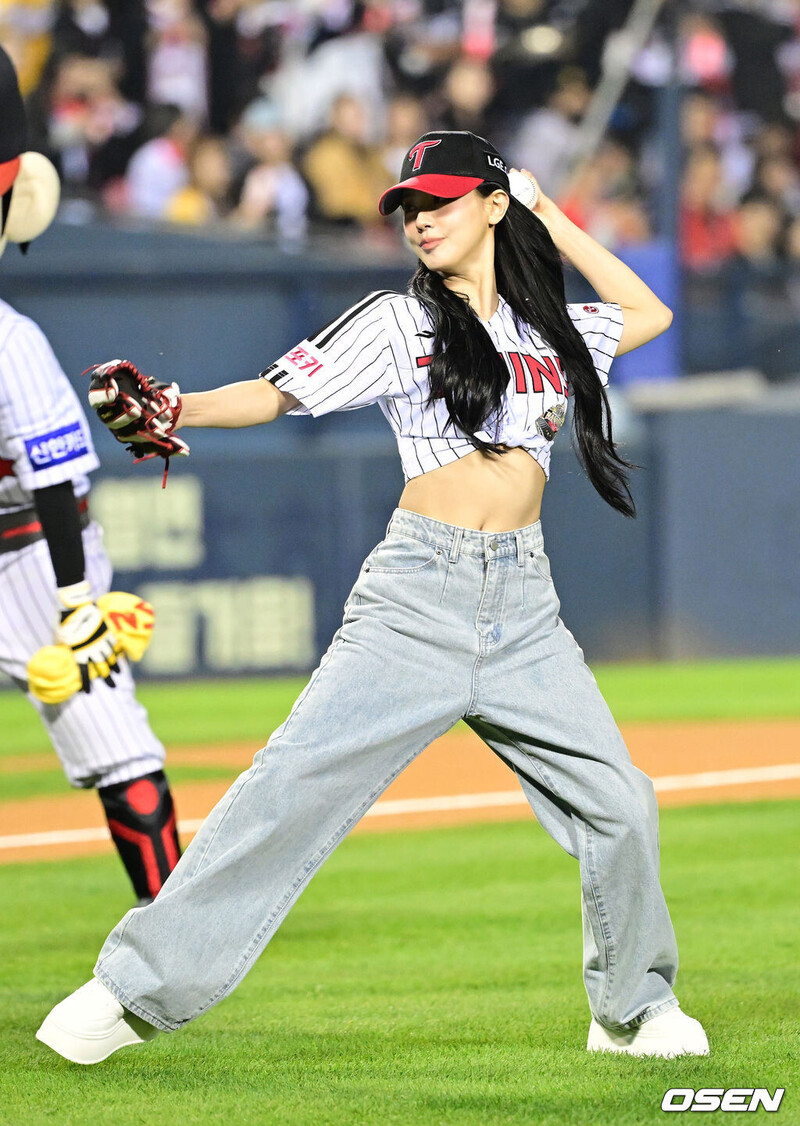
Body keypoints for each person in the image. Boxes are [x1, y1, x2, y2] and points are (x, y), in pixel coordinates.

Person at [37, 129, 710, 1063]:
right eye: (409, 207)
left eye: (440, 200)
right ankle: (129, 988)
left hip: (527, 609)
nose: (421, 219)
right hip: (418, 598)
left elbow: (650, 312)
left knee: (621, 805)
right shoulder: (402, 323)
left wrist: (550, 212)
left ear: (491, 204)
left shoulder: (551, 324)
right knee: (289, 788)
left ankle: (632, 1008)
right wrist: (178, 405)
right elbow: (277, 393)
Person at [0, 45, 181, 906]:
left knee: (112, 736)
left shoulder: (10, 338)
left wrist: (77, 604)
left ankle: (169, 932)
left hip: (34, 554)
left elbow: (53, 472)